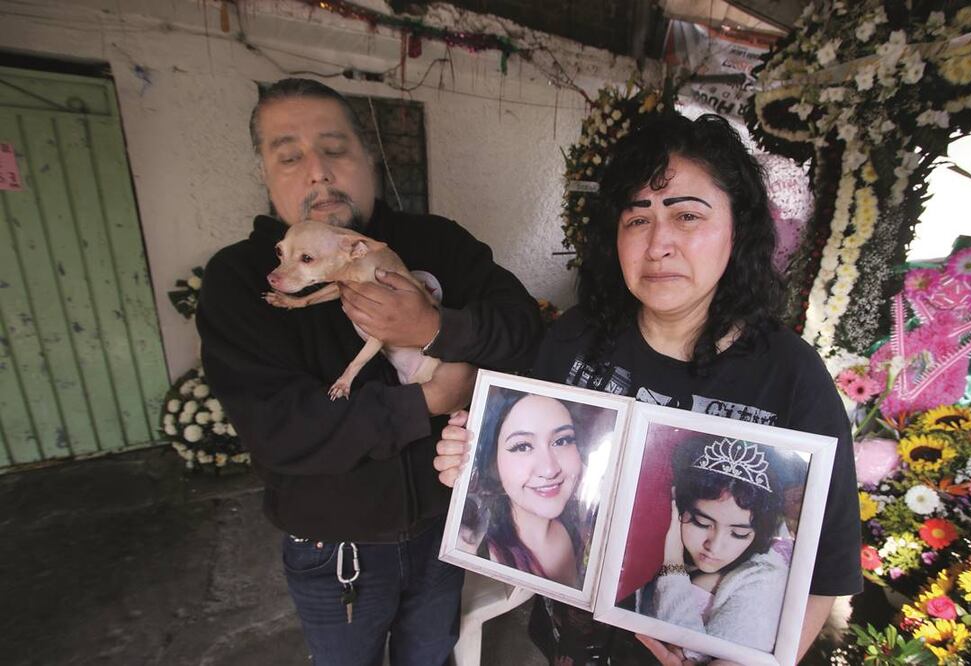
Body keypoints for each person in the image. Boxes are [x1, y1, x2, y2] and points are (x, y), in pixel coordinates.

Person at [433, 112, 861, 665]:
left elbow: (824, 569)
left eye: (687, 216)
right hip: (571, 640)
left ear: (739, 229)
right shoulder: (575, 340)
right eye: (637, 219)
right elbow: (524, 456)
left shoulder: (791, 376)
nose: (658, 243)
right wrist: (471, 458)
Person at [196, 77, 543, 666]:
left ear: (368, 159)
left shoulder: (437, 242)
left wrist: (435, 329)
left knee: (431, 656)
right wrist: (430, 400)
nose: (318, 172)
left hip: (445, 529)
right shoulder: (240, 279)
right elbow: (279, 430)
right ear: (264, 172)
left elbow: (524, 332)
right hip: (335, 551)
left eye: (335, 149)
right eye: (289, 155)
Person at [633, 435, 787, 656]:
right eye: (701, 522)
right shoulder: (649, 537)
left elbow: (688, 656)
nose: (714, 546)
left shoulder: (763, 583)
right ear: (677, 506)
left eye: (738, 533)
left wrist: (673, 563)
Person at [462, 388, 590, 588]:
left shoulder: (584, 525)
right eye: (522, 446)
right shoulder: (476, 552)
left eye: (562, 440)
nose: (549, 470)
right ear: (493, 462)